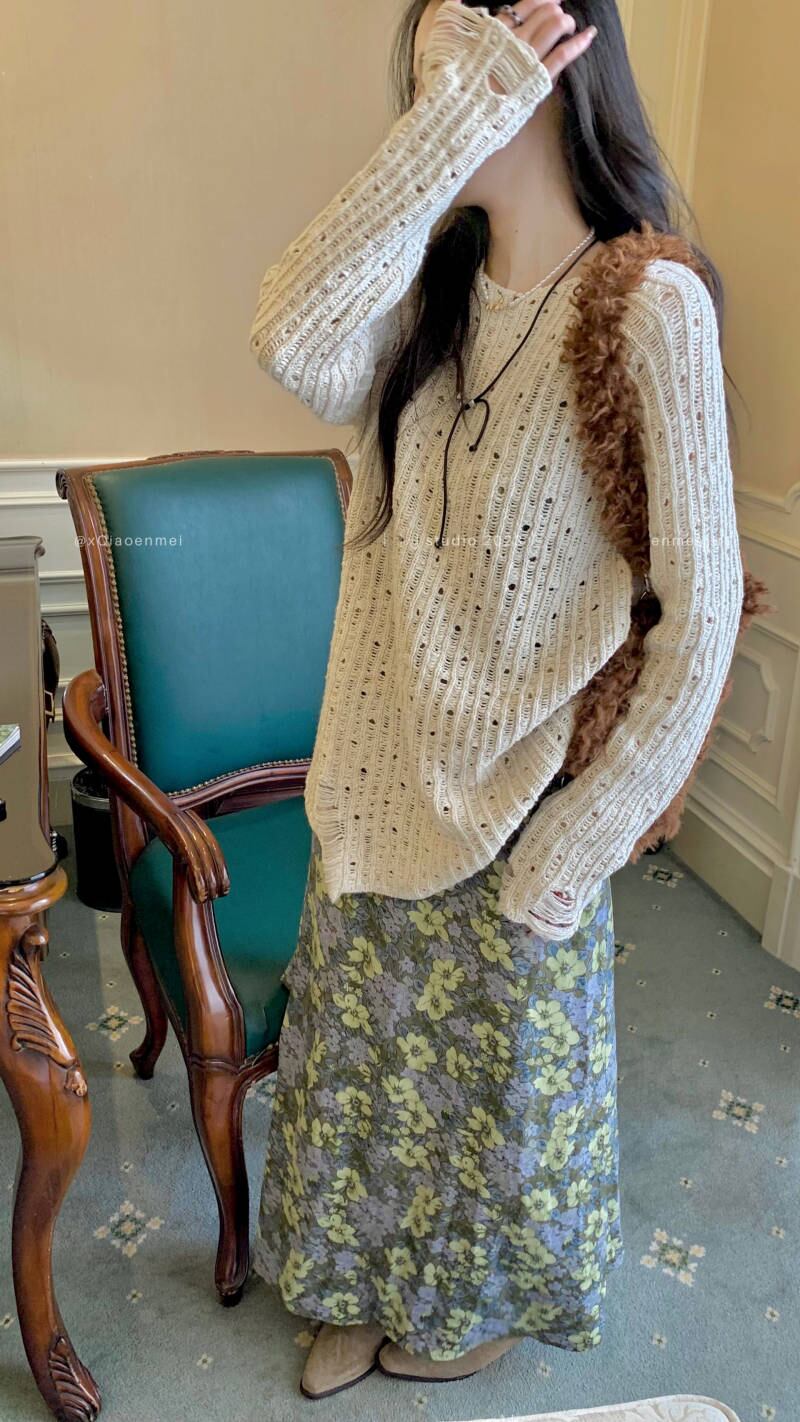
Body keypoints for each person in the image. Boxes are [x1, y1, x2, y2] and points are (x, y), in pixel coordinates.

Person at [247, 0, 743, 1401]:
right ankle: (354, 1286)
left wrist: (588, 837)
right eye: (429, 84)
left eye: (461, 79)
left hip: (525, 796)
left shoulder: (650, 307)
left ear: (556, 71)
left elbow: (704, 610)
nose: (433, 110)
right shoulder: (427, 295)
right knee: (364, 1078)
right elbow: (287, 334)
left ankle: (470, 1309)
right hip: (377, 764)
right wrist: (457, 123)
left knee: (496, 1112)